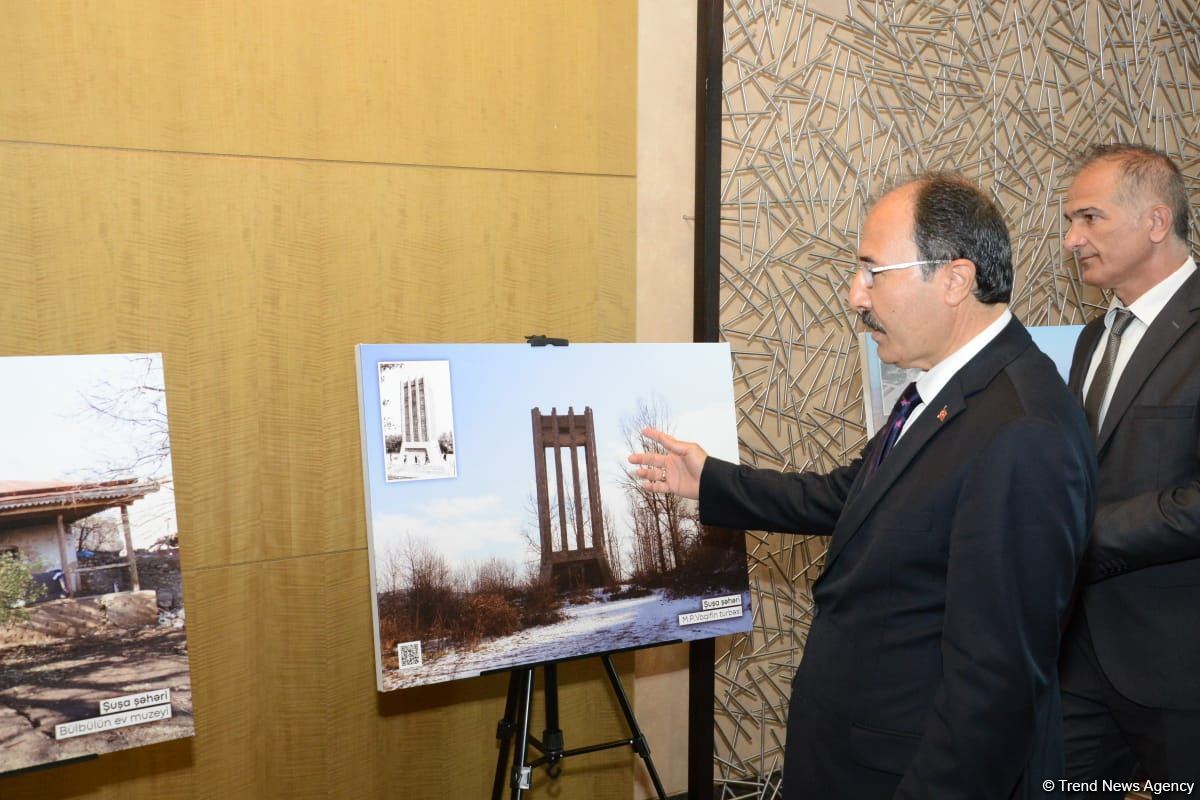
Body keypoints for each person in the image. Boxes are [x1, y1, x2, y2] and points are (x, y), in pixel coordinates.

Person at [630, 173, 1095, 799]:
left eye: (874, 271)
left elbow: (995, 688)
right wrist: (710, 480)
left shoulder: (1020, 428)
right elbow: (850, 497)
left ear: (954, 280)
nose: (855, 296)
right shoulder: (947, 390)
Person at [1060, 143, 1200, 795]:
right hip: (1077, 657)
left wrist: (1081, 537)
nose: (1071, 240)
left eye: (1089, 218)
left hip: (1180, 664)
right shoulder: (1093, 338)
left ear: (1154, 221)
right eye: (1069, 222)